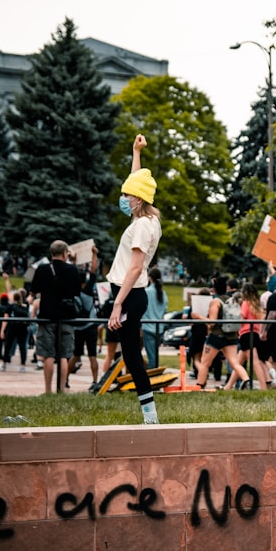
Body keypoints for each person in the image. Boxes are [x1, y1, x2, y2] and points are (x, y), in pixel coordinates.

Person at [106, 134, 163, 423]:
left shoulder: (142, 226)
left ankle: (150, 415)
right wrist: (135, 151)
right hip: (130, 294)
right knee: (130, 354)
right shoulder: (149, 219)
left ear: (138, 199)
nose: (124, 198)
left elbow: (135, 268)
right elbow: (135, 180)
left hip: (129, 294)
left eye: (128, 196)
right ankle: (149, 413)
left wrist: (117, 305)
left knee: (131, 355)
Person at [31, 240, 82, 393]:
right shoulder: (72, 270)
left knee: (48, 355)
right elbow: (77, 291)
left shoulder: (42, 269)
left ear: (51, 253)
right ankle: (61, 389)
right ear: (66, 253)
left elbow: (34, 290)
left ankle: (48, 390)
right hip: (66, 317)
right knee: (63, 355)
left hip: (47, 316)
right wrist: (74, 262)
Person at [195, 276, 251, 391]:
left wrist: (198, 316)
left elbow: (212, 323)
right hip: (231, 335)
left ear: (214, 289)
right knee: (234, 362)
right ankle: (246, 380)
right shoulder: (231, 300)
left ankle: (199, 385)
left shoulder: (215, 302)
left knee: (205, 362)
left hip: (216, 336)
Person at [224, 283, 271, 389]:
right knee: (238, 364)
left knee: (255, 363)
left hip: (245, 334)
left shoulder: (245, 303)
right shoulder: (257, 305)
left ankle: (264, 388)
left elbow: (241, 318)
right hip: (254, 334)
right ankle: (228, 386)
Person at [70, 245, 101, 388]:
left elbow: (72, 273)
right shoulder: (88, 290)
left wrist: (73, 261)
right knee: (92, 356)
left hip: (77, 326)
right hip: (90, 325)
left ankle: (65, 379)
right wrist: (94, 254)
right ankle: (95, 381)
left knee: (76, 355)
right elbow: (93, 271)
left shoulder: (73, 290)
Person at [141, 266, 167, 369]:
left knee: (151, 357)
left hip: (148, 326)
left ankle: (152, 378)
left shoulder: (146, 292)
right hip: (159, 328)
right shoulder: (163, 293)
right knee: (155, 355)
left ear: (150, 278)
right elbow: (164, 310)